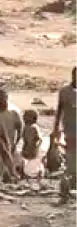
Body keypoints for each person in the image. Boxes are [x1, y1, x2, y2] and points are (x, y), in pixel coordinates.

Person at [0, 89, 23, 184]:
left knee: (10, 167)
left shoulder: (13, 113)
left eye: (3, 98)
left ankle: (11, 176)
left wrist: (15, 143)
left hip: (9, 145)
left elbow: (20, 130)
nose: (1, 100)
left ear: (7, 98)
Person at [52, 67, 77, 204]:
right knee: (70, 160)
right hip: (70, 131)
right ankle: (67, 189)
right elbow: (59, 111)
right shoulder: (64, 92)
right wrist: (56, 129)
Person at [20, 109, 43, 178]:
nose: (23, 117)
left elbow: (39, 139)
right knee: (25, 162)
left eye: (25, 116)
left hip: (32, 149)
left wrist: (36, 147)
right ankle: (25, 172)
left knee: (31, 162)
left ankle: (36, 172)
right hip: (27, 148)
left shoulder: (33, 127)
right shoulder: (25, 127)